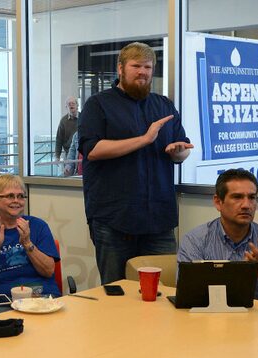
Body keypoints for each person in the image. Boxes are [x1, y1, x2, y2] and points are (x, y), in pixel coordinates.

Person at [79, 42, 193, 284]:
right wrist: (144, 139)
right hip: (114, 220)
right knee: (118, 294)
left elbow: (182, 151)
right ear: (121, 68)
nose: (143, 72)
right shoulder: (98, 105)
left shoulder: (163, 105)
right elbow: (92, 150)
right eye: (136, 66)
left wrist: (178, 151)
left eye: (148, 67)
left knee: (164, 295)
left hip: (159, 220)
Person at [178, 169, 258, 304]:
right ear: (218, 202)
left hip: (254, 322)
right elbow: (187, 295)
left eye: (252, 198)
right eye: (237, 197)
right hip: (206, 321)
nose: (246, 205)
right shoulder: (195, 241)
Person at [0, 174, 60, 314]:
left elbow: (49, 270)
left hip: (41, 296)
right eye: (10, 196)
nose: (16, 201)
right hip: (3, 301)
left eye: (20, 196)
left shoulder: (38, 226)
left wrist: (27, 243)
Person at [55, 96, 79, 177]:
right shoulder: (63, 121)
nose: (71, 106)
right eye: (69, 104)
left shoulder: (83, 117)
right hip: (68, 153)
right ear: (66, 107)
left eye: (73, 103)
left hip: (79, 152)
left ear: (77, 105)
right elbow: (59, 139)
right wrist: (57, 156)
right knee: (68, 175)